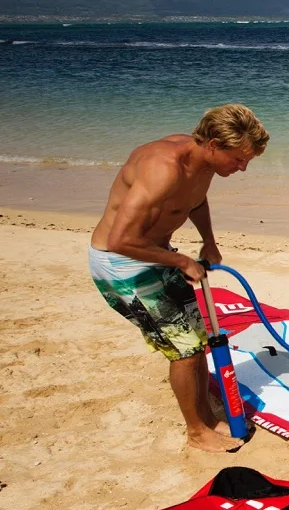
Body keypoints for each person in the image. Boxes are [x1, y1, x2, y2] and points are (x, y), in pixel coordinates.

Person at [88, 104, 269, 452]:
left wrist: (209, 241)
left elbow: (195, 202)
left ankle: (205, 414)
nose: (242, 167)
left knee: (198, 340)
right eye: (238, 159)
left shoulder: (203, 161)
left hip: (156, 254)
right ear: (214, 144)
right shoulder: (162, 169)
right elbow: (119, 240)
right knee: (184, 350)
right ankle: (196, 431)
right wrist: (182, 260)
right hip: (121, 265)